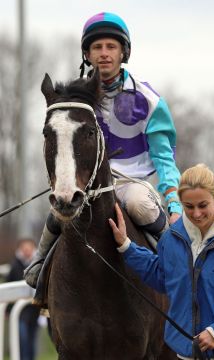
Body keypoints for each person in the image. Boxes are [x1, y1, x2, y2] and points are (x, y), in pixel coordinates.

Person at [24, 12, 181, 288]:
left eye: (111, 47)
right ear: (87, 54)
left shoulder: (148, 100)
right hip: (86, 184)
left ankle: (180, 262)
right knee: (60, 207)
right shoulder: (72, 100)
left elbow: (164, 157)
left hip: (130, 184)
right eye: (97, 47)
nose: (104, 54)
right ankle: (39, 262)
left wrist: (174, 202)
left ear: (124, 52)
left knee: (140, 205)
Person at [109, 164, 214, 360]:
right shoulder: (171, 238)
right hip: (183, 355)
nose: (196, 214)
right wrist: (127, 247)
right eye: (188, 206)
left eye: (203, 205)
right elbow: (162, 277)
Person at [6, 238, 40, 360]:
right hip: (19, 311)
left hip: (34, 310)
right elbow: (9, 286)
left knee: (32, 339)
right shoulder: (15, 265)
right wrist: (8, 310)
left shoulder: (39, 263)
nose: (26, 250)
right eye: (24, 248)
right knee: (22, 338)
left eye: (29, 247)